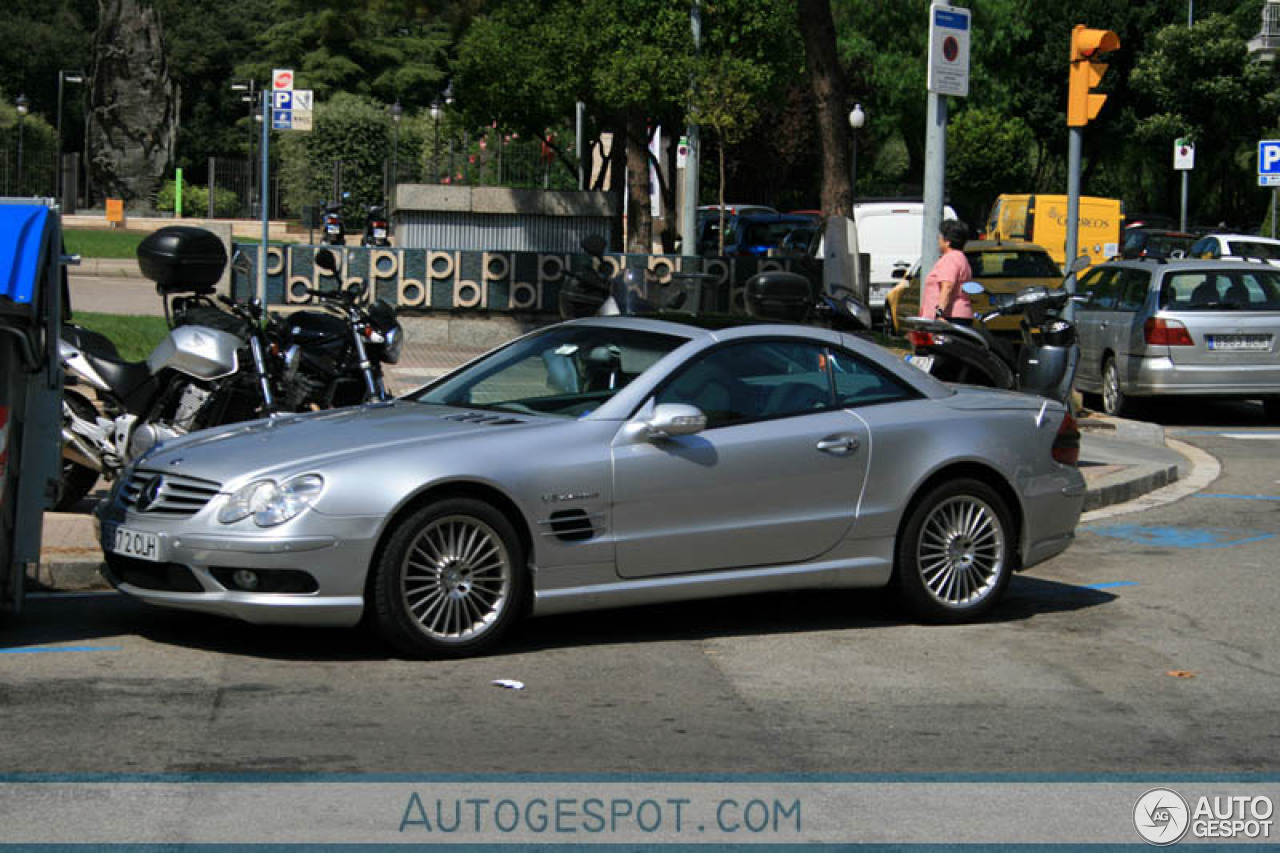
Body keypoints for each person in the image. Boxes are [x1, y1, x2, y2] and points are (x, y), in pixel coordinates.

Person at [920, 219, 974, 324]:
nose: (938, 239)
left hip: (949, 317)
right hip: (959, 315)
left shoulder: (950, 259)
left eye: (940, 237)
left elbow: (947, 286)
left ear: (948, 241)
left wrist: (940, 313)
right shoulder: (961, 257)